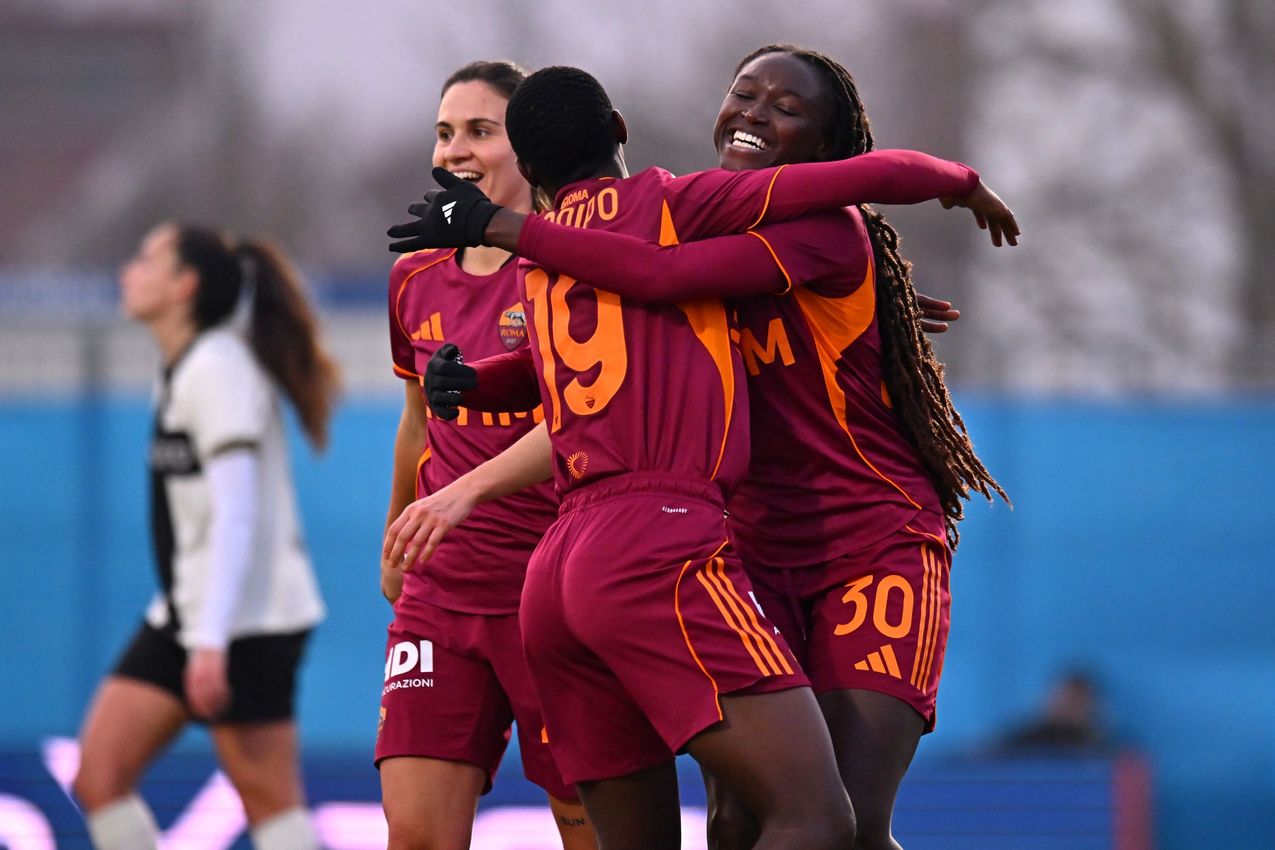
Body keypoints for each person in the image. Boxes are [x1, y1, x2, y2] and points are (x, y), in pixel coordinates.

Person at [385, 65, 1016, 850]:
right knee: (748, 823)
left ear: (826, 141)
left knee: (837, 824)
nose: (753, 112)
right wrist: (484, 372)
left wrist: (504, 237)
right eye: (743, 94)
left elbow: (657, 279)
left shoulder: (811, 229)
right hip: (723, 544)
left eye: (784, 105)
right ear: (619, 128)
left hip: (864, 543)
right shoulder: (679, 217)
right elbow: (625, 306)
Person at [375, 60, 597, 850]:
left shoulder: (574, 264)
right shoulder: (413, 276)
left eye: (479, 130)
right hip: (441, 594)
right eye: (444, 133)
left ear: (528, 146)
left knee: (593, 831)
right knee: (416, 836)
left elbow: (584, 418)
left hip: (556, 594)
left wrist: (463, 491)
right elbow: (416, 421)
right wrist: (400, 530)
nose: (455, 151)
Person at [73, 224, 338, 850]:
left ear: (184, 286)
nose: (128, 272)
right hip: (190, 613)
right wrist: (196, 626)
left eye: (147, 260)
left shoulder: (219, 368)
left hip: (248, 621)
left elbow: (236, 515)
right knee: (99, 776)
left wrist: (212, 641)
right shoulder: (185, 366)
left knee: (271, 804)